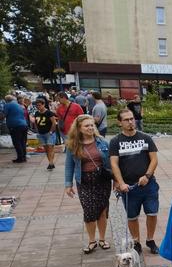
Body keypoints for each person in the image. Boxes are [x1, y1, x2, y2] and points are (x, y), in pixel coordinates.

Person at [109, 108, 160, 254]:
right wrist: (120, 182)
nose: (131, 122)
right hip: (129, 187)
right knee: (132, 217)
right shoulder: (115, 141)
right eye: (126, 120)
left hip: (148, 185)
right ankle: (136, 241)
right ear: (120, 123)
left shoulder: (145, 138)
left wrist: (147, 176)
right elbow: (114, 164)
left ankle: (150, 240)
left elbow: (154, 160)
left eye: (132, 119)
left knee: (152, 213)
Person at [64, 115, 113, 254]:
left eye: (92, 125)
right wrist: (68, 184)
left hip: (102, 180)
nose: (91, 128)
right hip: (84, 181)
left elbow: (111, 163)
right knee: (89, 211)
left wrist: (116, 180)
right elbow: (69, 166)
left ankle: (102, 239)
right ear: (79, 128)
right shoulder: (73, 144)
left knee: (103, 210)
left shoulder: (103, 142)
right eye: (87, 125)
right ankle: (92, 241)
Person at [32, 97, 57, 169]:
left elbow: (54, 123)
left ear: (44, 105)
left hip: (49, 133)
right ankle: (50, 162)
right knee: (46, 149)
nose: (38, 107)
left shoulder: (49, 113)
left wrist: (51, 131)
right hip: (41, 133)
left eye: (39, 105)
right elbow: (36, 123)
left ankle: (51, 163)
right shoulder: (36, 113)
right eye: (37, 105)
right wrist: (37, 131)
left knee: (50, 147)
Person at [3, 95, 28, 163]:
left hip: (15, 126)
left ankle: (20, 158)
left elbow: (4, 115)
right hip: (24, 125)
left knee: (17, 142)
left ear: (6, 100)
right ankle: (24, 157)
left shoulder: (7, 105)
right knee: (23, 142)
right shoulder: (18, 105)